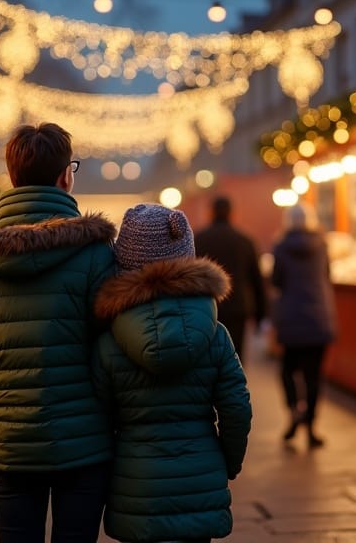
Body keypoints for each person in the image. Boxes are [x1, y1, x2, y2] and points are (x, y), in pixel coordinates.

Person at [0, 123, 116, 543]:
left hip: (12, 445)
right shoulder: (95, 254)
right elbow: (112, 346)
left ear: (12, 177)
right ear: (66, 176)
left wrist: (3, 406)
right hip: (84, 443)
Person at [91, 203, 252, 543]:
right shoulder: (216, 334)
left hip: (136, 480)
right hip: (201, 474)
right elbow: (236, 405)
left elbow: (99, 418)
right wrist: (229, 461)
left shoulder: (108, 342)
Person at [270, 202, 337, 449]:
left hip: (291, 318)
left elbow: (277, 281)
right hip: (319, 317)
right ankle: (311, 427)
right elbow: (328, 275)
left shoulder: (281, 247)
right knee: (314, 376)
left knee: (288, 370)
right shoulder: (321, 246)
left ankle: (294, 410)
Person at [193, 196, 267, 358]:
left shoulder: (199, 240)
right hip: (238, 308)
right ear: (231, 214)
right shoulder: (245, 241)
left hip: (207, 307)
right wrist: (261, 314)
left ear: (211, 213)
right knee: (235, 355)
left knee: (208, 357)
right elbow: (256, 279)